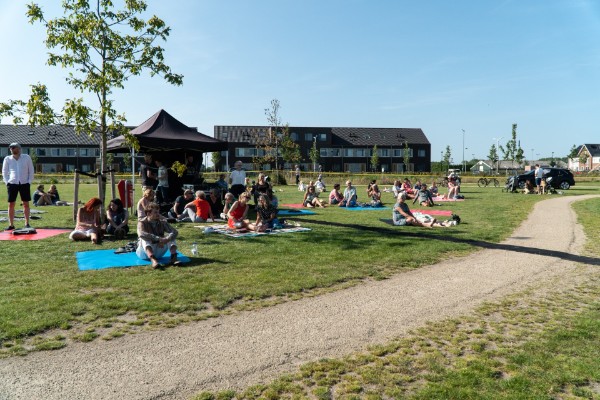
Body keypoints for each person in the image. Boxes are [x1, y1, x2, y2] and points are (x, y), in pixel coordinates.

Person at [136, 202, 180, 269]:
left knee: (171, 236)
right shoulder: (142, 222)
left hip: (159, 249)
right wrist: (158, 239)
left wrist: (166, 239)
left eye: (158, 212)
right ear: (148, 213)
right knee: (143, 239)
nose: (158, 214)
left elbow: (175, 232)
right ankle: (153, 260)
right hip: (144, 254)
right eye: (155, 212)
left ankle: (173, 257)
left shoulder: (162, 222)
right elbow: (141, 234)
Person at [2, 143, 35, 230]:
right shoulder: (7, 159)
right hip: (12, 183)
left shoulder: (26, 157)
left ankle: (27, 223)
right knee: (11, 204)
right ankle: (11, 224)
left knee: (26, 204)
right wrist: (7, 182)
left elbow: (31, 170)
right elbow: (4, 172)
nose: (12, 149)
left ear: (19, 149)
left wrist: (29, 182)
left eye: (13, 148)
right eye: (10, 148)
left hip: (24, 183)